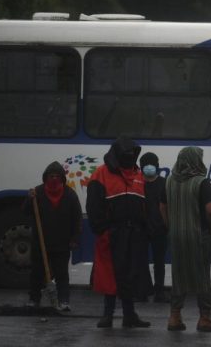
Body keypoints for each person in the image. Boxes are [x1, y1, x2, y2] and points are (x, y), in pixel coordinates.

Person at [86, 136, 152, 328]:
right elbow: (93, 206)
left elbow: (145, 205)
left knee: (131, 275)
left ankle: (129, 315)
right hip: (112, 233)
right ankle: (108, 314)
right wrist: (102, 230)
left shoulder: (138, 175)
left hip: (134, 235)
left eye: (132, 154)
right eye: (127, 155)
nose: (130, 158)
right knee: (110, 274)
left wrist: (146, 229)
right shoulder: (101, 174)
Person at [162, 146, 211, 332]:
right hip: (198, 236)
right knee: (202, 275)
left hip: (176, 236)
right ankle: (204, 318)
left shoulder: (169, 181)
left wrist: (171, 226)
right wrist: (210, 228)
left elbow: (162, 207)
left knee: (179, 275)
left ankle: (174, 316)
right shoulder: (201, 182)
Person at [23, 161, 82, 311]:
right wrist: (29, 199)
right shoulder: (37, 193)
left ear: (62, 178)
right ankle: (34, 299)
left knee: (62, 273)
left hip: (62, 243)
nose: (54, 179)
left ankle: (64, 300)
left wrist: (74, 238)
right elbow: (25, 211)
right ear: (46, 178)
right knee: (37, 272)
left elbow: (77, 219)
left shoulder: (70, 195)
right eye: (51, 176)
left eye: (57, 176)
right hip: (40, 242)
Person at [140, 152, 168, 303]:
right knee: (141, 261)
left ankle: (159, 292)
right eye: (146, 164)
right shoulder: (137, 183)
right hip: (141, 228)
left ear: (157, 166)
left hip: (160, 229)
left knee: (159, 262)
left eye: (151, 163)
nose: (149, 167)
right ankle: (144, 290)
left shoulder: (164, 183)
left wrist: (166, 224)